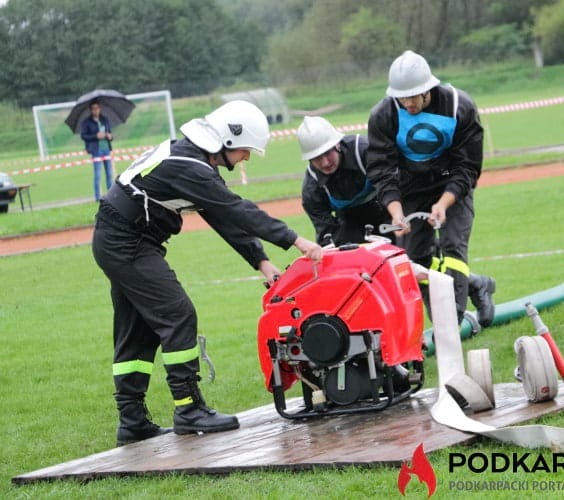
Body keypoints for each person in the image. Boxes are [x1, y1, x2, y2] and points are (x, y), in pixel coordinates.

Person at [92, 100, 322, 446]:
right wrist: (296, 240)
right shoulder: (191, 167)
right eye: (245, 151)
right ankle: (189, 409)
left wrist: (258, 259)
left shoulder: (189, 158)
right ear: (228, 140)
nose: (246, 158)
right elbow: (235, 208)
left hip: (120, 238)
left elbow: (220, 215)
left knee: (137, 329)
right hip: (127, 242)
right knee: (178, 315)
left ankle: (132, 421)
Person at [366, 50, 497, 328]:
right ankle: (477, 285)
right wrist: (395, 210)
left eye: (414, 96)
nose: (409, 103)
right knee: (414, 261)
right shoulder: (384, 115)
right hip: (411, 191)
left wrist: (444, 203)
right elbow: (381, 169)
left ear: (429, 88)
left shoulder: (459, 106)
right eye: (403, 97)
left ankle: (449, 324)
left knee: (452, 248)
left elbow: (468, 166)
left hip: (452, 187)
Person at [298, 115, 389, 246]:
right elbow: (327, 233)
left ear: (337, 144)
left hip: (387, 206)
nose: (325, 163)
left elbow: (395, 184)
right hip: (349, 220)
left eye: (327, 153)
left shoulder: (366, 151)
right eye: (317, 158)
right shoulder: (312, 188)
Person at [80, 100, 115, 201]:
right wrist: (96, 136)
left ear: (100, 109)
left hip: (106, 149)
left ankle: (110, 196)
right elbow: (83, 136)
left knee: (109, 174)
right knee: (98, 175)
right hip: (96, 150)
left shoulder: (105, 120)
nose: (96, 110)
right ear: (91, 110)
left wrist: (109, 136)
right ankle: (97, 197)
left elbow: (110, 134)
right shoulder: (87, 122)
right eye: (94, 109)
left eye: (97, 108)